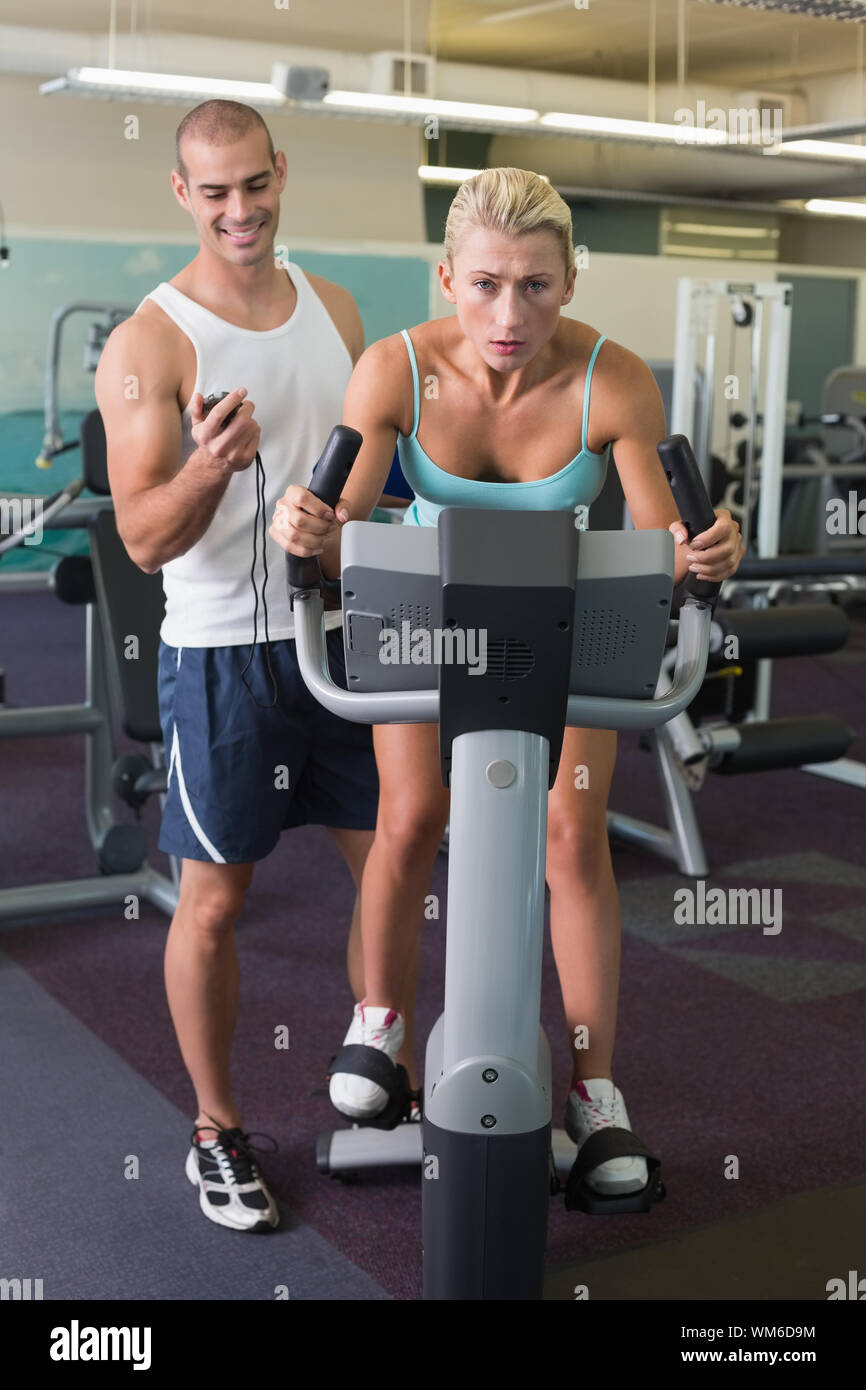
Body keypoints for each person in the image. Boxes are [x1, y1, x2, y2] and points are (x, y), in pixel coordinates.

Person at [270, 166, 744, 1197]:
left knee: (572, 839)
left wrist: (708, 549)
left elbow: (668, 540)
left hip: (558, 622)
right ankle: (380, 1026)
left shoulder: (609, 380)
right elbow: (341, 524)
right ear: (446, 277)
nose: (507, 313)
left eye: (534, 285)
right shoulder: (393, 369)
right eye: (484, 284)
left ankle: (594, 1092)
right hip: (425, 616)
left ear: (568, 281)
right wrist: (304, 527)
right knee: (407, 817)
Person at [95, 99, 414, 1233]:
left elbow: (367, 476)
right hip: (224, 655)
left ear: (282, 172)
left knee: (392, 863)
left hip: (339, 640)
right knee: (216, 901)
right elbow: (141, 537)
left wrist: (344, 525)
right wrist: (211, 473)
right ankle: (215, 1128)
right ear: (182, 193)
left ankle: (377, 1065)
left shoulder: (335, 308)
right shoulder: (151, 342)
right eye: (213, 191)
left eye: (255, 184)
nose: (240, 210)